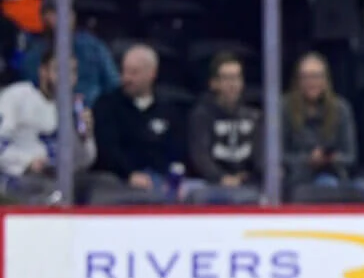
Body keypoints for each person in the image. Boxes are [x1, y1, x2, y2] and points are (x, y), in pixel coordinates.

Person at [0, 49, 96, 203]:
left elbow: (84, 162)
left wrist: (86, 137)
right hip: (18, 179)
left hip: (58, 180)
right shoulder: (17, 96)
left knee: (100, 184)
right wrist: (27, 162)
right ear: (43, 71)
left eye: (72, 71)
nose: (66, 77)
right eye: (59, 70)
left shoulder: (72, 107)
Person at [92, 43, 186, 199]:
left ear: (152, 73)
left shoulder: (168, 109)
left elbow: (176, 149)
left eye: (134, 72)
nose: (126, 78)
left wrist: (172, 177)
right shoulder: (107, 105)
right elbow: (108, 149)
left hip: (159, 178)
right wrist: (129, 174)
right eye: (124, 71)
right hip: (118, 179)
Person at [282, 51, 364, 201]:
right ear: (298, 81)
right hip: (299, 179)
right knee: (326, 183)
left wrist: (331, 159)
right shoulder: (284, 108)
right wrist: (308, 160)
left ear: (325, 80)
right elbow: (277, 156)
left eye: (316, 76)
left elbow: (350, 155)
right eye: (306, 77)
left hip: (337, 173)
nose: (312, 82)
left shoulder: (341, 108)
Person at [187, 52, 262, 205]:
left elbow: (260, 155)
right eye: (227, 78)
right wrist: (221, 177)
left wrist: (247, 176)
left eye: (237, 78)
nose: (233, 84)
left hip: (247, 184)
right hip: (211, 183)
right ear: (214, 83)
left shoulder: (254, 116)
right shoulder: (202, 115)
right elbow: (200, 156)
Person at [20, 0, 121, 108]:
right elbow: (29, 94)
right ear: (44, 17)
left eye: (68, 12)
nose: (64, 18)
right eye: (56, 13)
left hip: (94, 113)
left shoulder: (93, 47)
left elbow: (114, 85)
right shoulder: (34, 55)